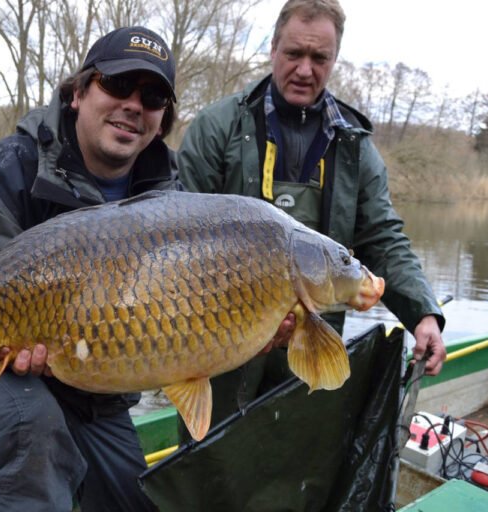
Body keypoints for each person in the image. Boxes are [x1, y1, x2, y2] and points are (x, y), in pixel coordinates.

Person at [0, 26, 178, 512]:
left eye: (152, 95)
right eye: (117, 85)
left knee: (140, 501)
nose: (133, 104)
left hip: (96, 380)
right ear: (78, 92)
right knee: (33, 431)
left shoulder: (170, 197)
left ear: (163, 118)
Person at [177, 0, 446, 423]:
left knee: (298, 466)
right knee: (213, 467)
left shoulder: (354, 145)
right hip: (222, 337)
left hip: (314, 340)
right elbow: (175, 235)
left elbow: (383, 238)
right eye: (293, 54)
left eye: (319, 57)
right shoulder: (218, 126)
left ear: (334, 59)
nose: (305, 69)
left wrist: (423, 313)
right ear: (272, 49)